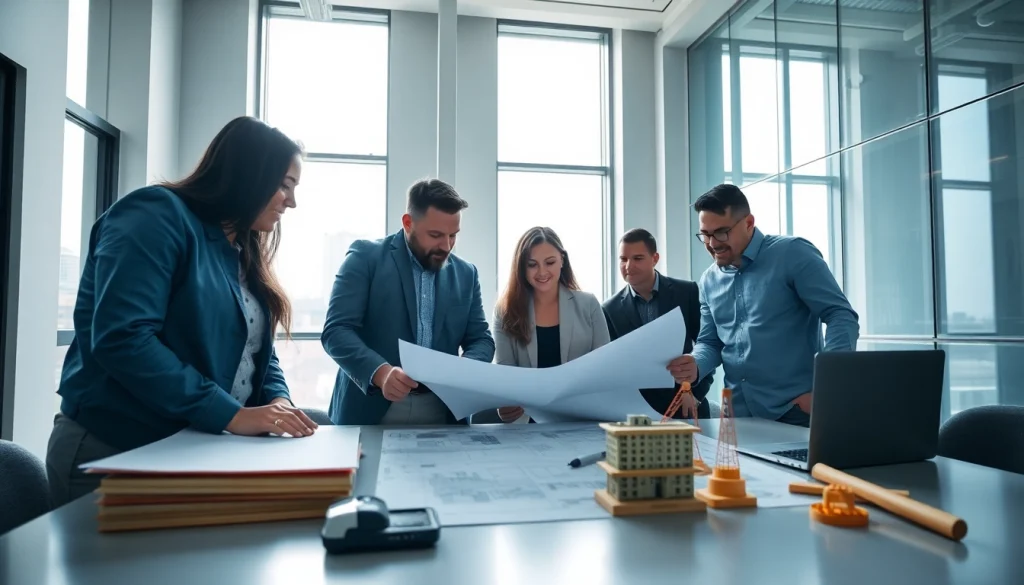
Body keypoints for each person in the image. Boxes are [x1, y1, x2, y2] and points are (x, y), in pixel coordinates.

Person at [45, 116, 318, 506]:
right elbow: (124, 338)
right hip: (114, 449)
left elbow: (256, 348)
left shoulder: (242, 247)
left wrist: (278, 402)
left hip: (190, 450)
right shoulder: (153, 214)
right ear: (248, 174)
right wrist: (232, 415)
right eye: (284, 186)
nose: (291, 201)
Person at [675, 184, 859, 427]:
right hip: (737, 418)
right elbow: (711, 342)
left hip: (795, 412)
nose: (712, 243)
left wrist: (827, 389)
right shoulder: (709, 280)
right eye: (705, 235)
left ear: (749, 222)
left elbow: (840, 315)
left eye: (721, 232)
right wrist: (695, 363)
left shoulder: (792, 254)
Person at [322, 178, 494, 426]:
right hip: (371, 407)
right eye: (435, 235)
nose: (446, 246)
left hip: (444, 412)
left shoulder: (467, 274)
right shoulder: (364, 257)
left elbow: (481, 339)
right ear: (407, 222)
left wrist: (465, 368)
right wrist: (381, 374)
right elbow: (336, 332)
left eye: (453, 236)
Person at [493, 227, 611, 422]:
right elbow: (505, 376)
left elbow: (604, 370)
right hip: (526, 425)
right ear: (521, 267)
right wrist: (504, 405)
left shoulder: (589, 304)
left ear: (562, 260)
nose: (542, 272)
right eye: (532, 265)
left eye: (550, 262)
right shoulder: (505, 311)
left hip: (581, 419)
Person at [602, 228, 712, 420]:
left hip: (688, 405)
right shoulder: (609, 309)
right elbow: (613, 368)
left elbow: (708, 345)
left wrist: (695, 393)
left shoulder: (686, 292)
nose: (628, 266)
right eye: (623, 259)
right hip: (638, 414)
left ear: (655, 258)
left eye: (637, 258)